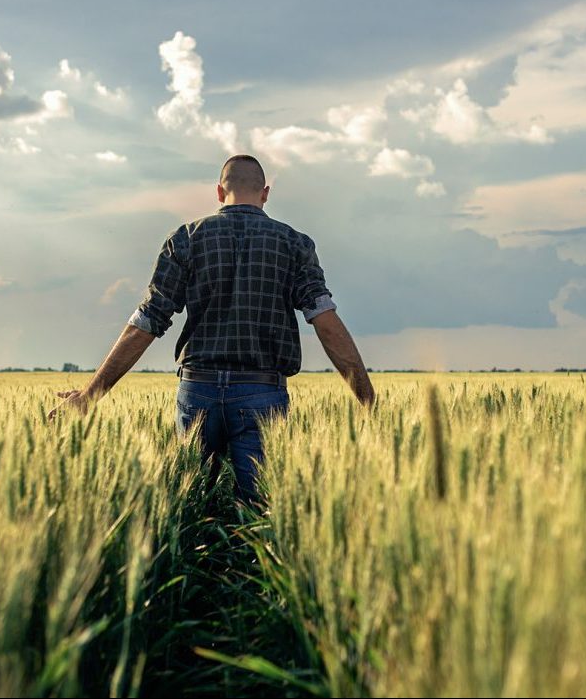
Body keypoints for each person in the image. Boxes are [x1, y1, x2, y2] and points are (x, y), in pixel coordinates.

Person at [48, 154, 375, 503]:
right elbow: (325, 321)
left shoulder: (186, 239)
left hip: (197, 391)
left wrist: (90, 394)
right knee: (258, 511)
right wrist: (367, 398)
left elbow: (147, 321)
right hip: (261, 392)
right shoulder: (295, 244)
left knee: (191, 505)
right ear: (265, 193)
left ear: (220, 192)